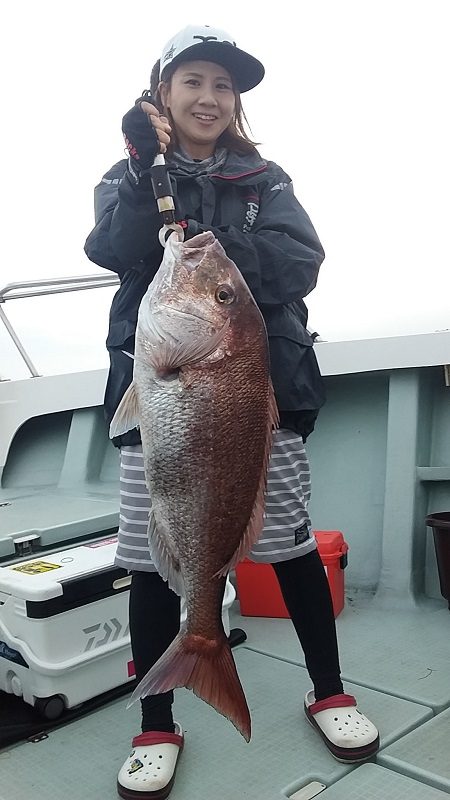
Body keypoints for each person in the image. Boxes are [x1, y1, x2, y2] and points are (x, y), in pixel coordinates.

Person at [85, 24, 379, 800]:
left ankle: (330, 689)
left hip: (259, 398)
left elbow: (299, 261)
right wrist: (143, 167)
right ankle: (157, 722)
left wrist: (214, 258)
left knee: (287, 547)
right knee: (152, 563)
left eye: (224, 85)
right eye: (194, 82)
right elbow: (113, 248)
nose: (211, 97)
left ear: (236, 102)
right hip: (161, 399)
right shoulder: (129, 172)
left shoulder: (267, 180)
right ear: (163, 94)